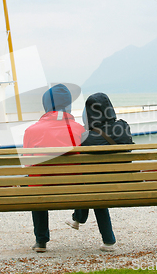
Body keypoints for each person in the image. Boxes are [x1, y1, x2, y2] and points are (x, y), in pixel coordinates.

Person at [65, 92, 134, 252]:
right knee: (96, 182)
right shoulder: (123, 127)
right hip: (126, 183)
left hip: (99, 187)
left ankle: (79, 218)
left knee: (93, 183)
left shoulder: (87, 138)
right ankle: (100, 235)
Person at [23, 84, 85, 253]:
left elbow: (28, 165)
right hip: (74, 189)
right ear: (68, 105)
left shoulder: (31, 131)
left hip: (43, 190)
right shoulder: (80, 130)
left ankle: (41, 240)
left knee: (35, 182)